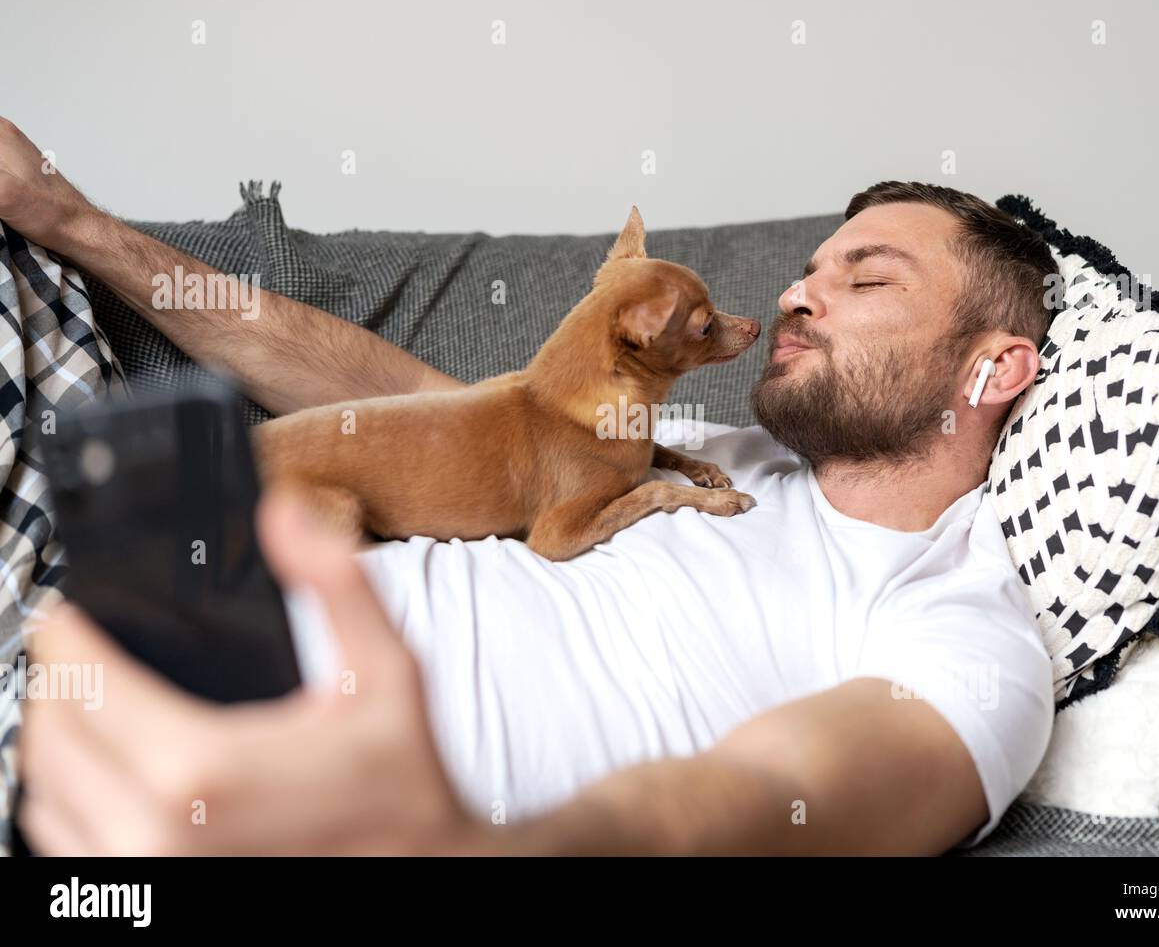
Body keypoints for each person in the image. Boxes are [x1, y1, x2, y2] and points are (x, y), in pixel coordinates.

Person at [0, 116, 1057, 855]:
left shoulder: (960, 616)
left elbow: (777, 798)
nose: (796, 296)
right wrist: (66, 219)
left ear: (997, 367)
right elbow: (391, 408)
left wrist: (464, 845)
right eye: (809, 271)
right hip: (88, 613)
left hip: (187, 784)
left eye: (866, 278)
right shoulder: (679, 434)